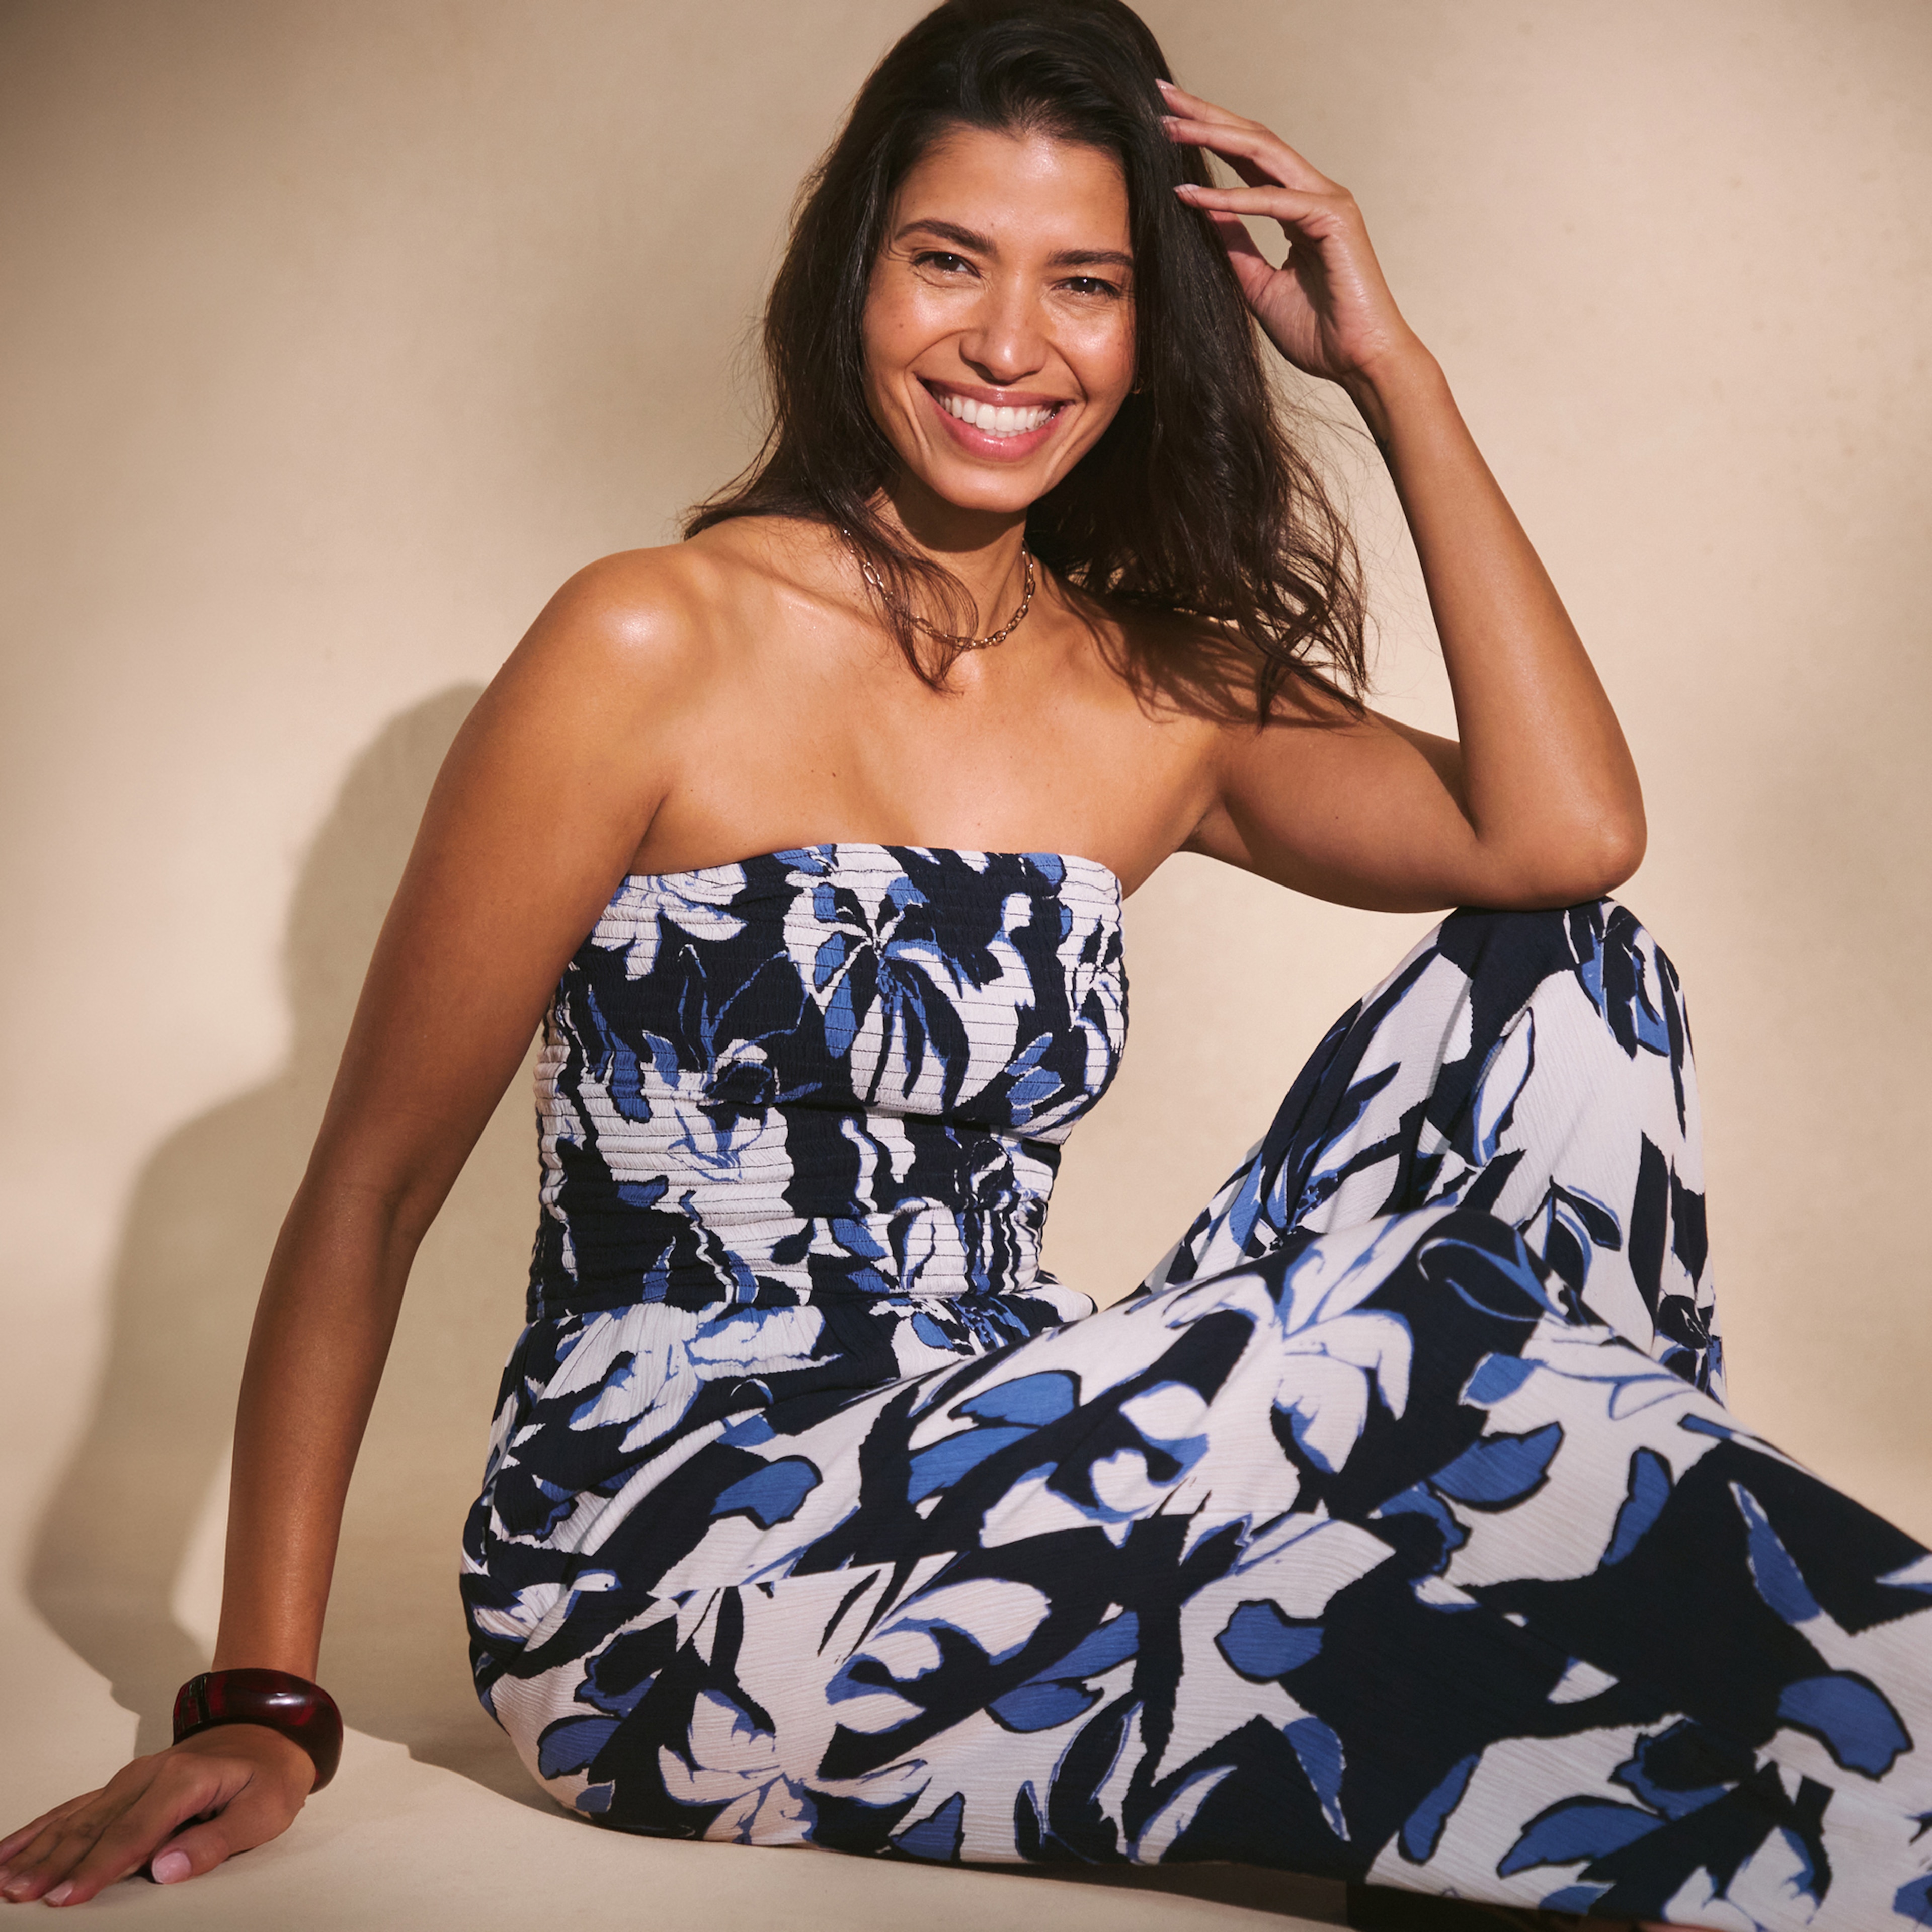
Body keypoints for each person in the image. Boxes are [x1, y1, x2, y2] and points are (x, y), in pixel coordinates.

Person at [5, 1, 1928, 1923]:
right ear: (855, 276)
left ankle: (1632, 1675)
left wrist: (1391, 369)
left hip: (1038, 1448)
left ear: (1157, 323)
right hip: (681, 1567)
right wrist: (261, 1700)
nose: (1012, 345)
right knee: (1392, 1359)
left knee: (1575, 984)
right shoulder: (648, 643)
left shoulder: (1152, 686)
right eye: (950, 263)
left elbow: (1565, 837)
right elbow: (372, 1187)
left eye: (1087, 283)